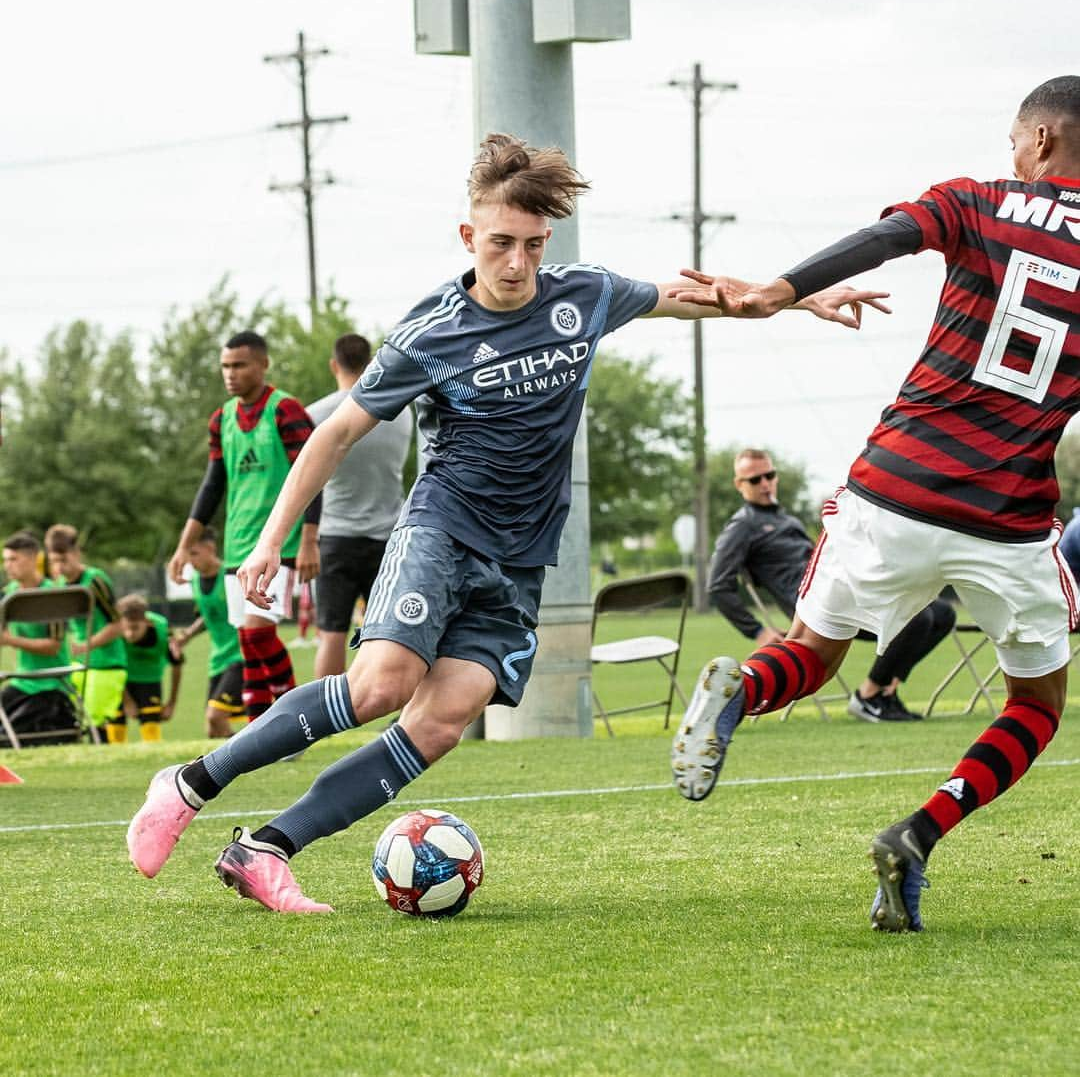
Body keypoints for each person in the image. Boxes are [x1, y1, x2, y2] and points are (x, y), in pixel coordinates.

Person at [127, 131, 884, 913]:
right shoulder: (432, 333)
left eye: (532, 244)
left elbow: (695, 294)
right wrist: (272, 539)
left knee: (445, 718)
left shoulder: (583, 294)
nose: (517, 262)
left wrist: (796, 295)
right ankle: (187, 783)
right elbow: (337, 431)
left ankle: (264, 849)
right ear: (469, 238)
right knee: (382, 684)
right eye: (500, 244)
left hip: (523, 557)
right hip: (442, 530)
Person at [671, 74, 1080, 934]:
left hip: (897, 483)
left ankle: (740, 690)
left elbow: (888, 236)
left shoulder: (977, 199)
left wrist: (780, 290)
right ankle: (919, 834)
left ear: (1040, 141)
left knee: (814, 655)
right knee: (1037, 706)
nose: (1010, 153)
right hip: (1006, 517)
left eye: (1015, 140)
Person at [709, 447, 957, 720]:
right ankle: (869, 696)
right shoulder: (741, 526)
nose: (765, 483)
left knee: (943, 613)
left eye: (769, 475)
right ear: (739, 485)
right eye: (755, 480)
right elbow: (718, 585)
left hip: (839, 583)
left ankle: (886, 691)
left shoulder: (786, 519)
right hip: (815, 607)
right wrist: (756, 631)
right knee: (917, 618)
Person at [166, 330, 320, 723]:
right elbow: (212, 484)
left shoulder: (285, 410)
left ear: (263, 365)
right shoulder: (221, 419)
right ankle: (258, 727)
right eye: (225, 366)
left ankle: (293, 721)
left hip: (278, 544)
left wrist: (309, 539)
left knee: (257, 634)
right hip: (237, 546)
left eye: (239, 365)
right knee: (247, 645)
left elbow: (314, 473)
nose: (230, 374)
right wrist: (185, 544)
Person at [306, 333, 412, 679]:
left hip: (336, 536)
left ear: (334, 365)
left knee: (332, 632)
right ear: (370, 364)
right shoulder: (400, 413)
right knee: (389, 634)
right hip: (388, 536)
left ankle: (326, 720)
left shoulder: (316, 415)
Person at [44, 524, 126, 742]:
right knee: (73, 721)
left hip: (107, 664)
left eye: (64, 560)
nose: (59, 567)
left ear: (77, 553)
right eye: (54, 561)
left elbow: (118, 626)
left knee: (96, 725)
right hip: (77, 664)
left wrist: (87, 644)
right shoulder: (59, 584)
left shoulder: (95, 580)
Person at [0, 530, 77, 745]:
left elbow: (53, 647)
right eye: (5, 560)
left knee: (6, 738)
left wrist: (10, 640)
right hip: (22, 680)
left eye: (14, 559)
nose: (8, 565)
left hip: (52, 681)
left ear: (34, 558)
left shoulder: (52, 594)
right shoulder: (10, 593)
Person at [171, 527, 245, 738]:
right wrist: (186, 637)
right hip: (217, 659)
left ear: (210, 548)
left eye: (193, 553)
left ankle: (251, 753)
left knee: (216, 716)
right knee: (212, 730)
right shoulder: (195, 581)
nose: (189, 560)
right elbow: (208, 615)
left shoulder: (231, 575)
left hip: (240, 656)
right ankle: (244, 756)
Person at [116, 594, 184, 742]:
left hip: (150, 681)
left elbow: (177, 665)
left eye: (135, 628)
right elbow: (112, 668)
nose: (130, 634)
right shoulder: (114, 630)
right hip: (119, 682)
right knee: (115, 729)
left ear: (146, 622)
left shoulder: (163, 629)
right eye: (126, 628)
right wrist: (127, 701)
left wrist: (171, 703)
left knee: (151, 733)